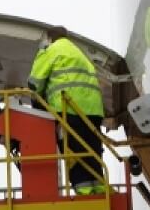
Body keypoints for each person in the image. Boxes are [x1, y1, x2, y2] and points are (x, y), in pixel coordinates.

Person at [27, 26, 106, 194]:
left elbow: (34, 84)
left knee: (73, 152)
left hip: (69, 110)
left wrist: (38, 101)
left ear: (49, 38)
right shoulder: (79, 53)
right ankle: (99, 190)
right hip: (93, 111)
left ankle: (84, 193)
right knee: (92, 151)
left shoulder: (51, 50)